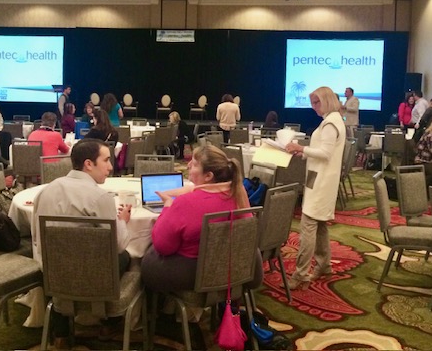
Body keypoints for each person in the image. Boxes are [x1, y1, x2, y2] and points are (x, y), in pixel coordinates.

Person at [31, 139, 131, 342]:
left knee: (61, 260)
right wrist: (123, 221)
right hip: (91, 276)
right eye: (106, 160)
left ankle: (61, 332)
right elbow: (118, 245)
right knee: (126, 256)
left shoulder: (45, 191)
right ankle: (109, 322)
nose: (111, 167)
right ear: (88, 164)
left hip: (52, 273)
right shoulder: (99, 197)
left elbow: (35, 236)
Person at [141, 145, 262, 293]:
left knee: (150, 254)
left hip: (198, 271)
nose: (188, 165)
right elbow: (193, 189)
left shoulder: (186, 203)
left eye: (194, 164)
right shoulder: (238, 191)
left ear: (208, 176)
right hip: (235, 266)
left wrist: (168, 206)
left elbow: (163, 247)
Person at [284, 86, 346, 290]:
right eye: (312, 103)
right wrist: (304, 153)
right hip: (320, 178)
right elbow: (322, 152)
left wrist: (301, 148)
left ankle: (301, 273)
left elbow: (326, 153)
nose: (313, 107)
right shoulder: (332, 120)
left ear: (327, 100)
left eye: (316, 102)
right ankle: (324, 265)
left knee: (308, 226)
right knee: (319, 225)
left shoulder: (330, 123)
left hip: (322, 180)